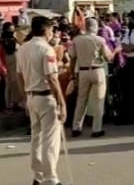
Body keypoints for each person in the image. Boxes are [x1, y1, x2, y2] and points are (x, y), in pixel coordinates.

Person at [16, 16, 67, 185]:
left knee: (36, 138)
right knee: (50, 139)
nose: (53, 33)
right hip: (46, 96)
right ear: (45, 30)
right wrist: (61, 102)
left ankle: (38, 175)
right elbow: (52, 78)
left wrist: (25, 96)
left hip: (31, 96)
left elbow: (19, 75)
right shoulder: (46, 49)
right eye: (52, 29)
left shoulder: (23, 48)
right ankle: (50, 178)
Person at [69, 18, 119, 137]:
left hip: (83, 71)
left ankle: (76, 127)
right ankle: (96, 129)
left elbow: (72, 58)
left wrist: (72, 74)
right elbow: (108, 57)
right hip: (97, 70)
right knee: (99, 100)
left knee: (81, 100)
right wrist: (116, 51)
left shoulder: (76, 40)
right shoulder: (99, 40)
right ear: (95, 27)